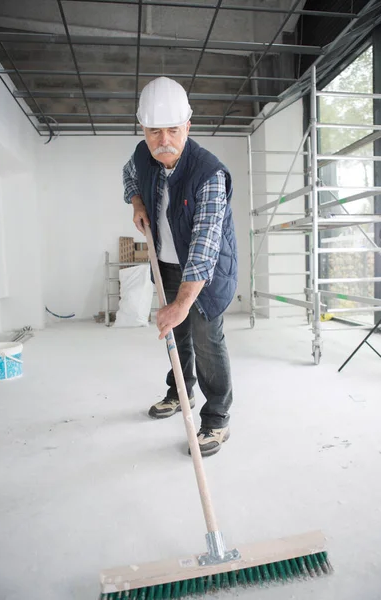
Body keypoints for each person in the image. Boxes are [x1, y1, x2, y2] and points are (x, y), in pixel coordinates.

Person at [122, 77, 237, 457]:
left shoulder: (209, 174)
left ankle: (217, 418)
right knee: (177, 336)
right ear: (144, 129)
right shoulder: (144, 154)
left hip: (205, 272)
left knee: (206, 340)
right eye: (155, 131)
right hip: (168, 264)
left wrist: (182, 302)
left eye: (173, 129)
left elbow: (204, 249)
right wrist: (138, 204)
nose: (163, 139)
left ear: (188, 126)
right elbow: (129, 175)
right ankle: (180, 391)